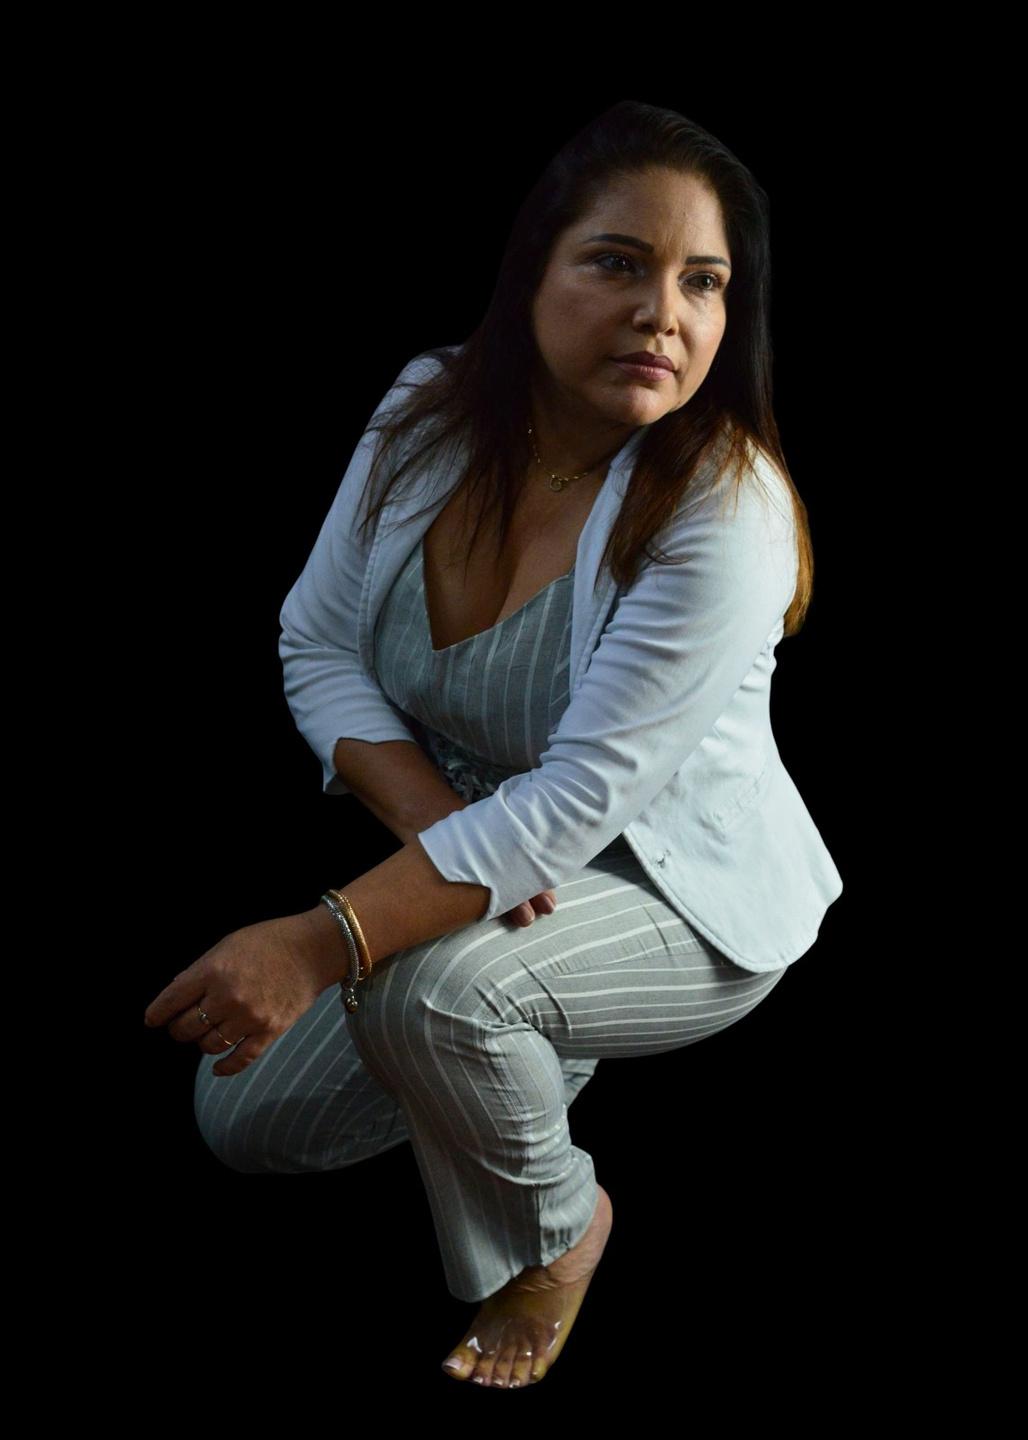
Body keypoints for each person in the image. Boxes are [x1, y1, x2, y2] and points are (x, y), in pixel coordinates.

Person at [143, 100, 843, 1389]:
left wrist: (318, 940)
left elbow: (578, 801)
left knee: (442, 996)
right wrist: (446, 833)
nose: (664, 314)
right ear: (532, 271)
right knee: (245, 1116)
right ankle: (517, 1024)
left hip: (671, 887)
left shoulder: (723, 506)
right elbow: (317, 644)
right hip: (481, 847)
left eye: (704, 282)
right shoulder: (429, 409)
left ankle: (561, 1231)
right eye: (618, 262)